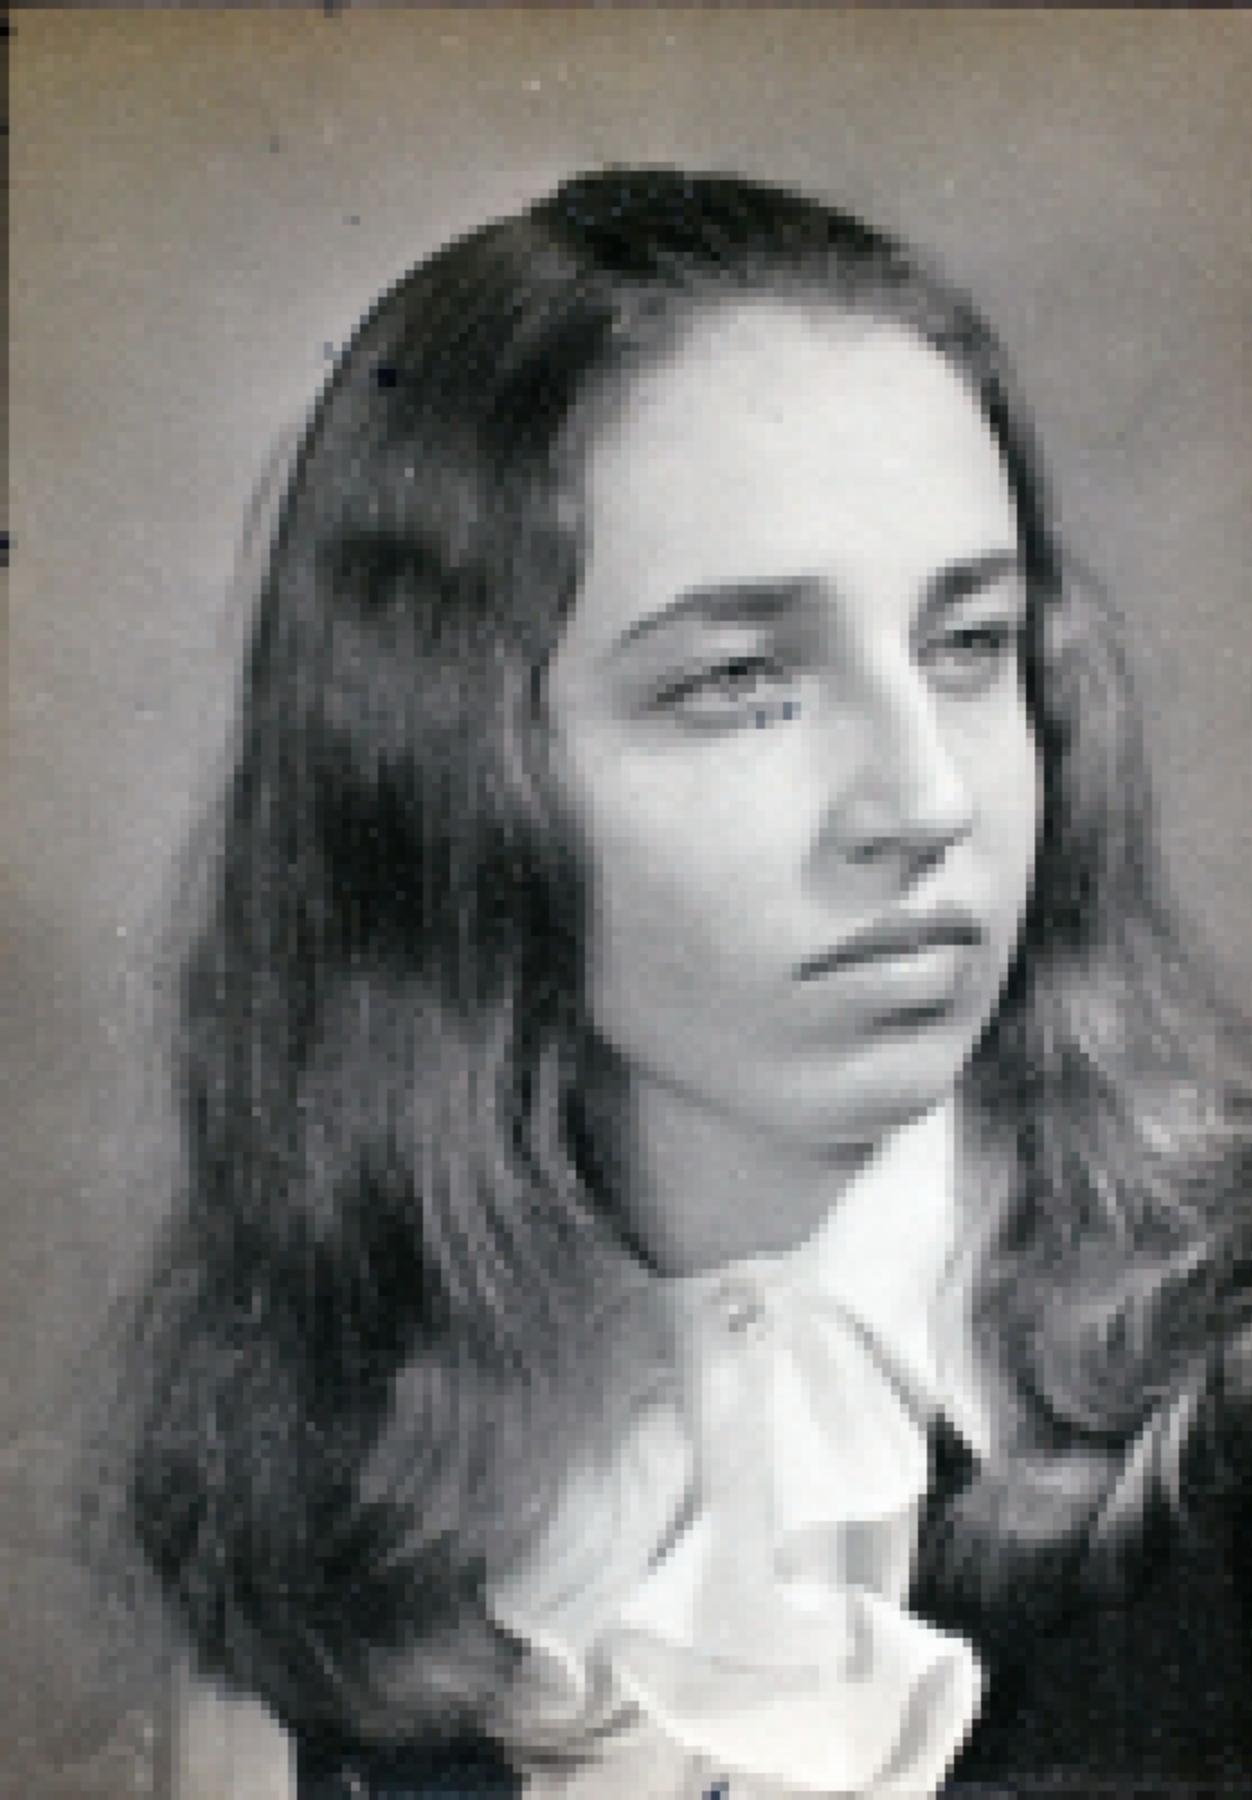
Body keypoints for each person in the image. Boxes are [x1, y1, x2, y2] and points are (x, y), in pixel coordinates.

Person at [104, 167, 1252, 1796]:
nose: (925, 799)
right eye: (743, 679)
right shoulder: (329, 1472)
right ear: (443, 776)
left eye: (969, 645)